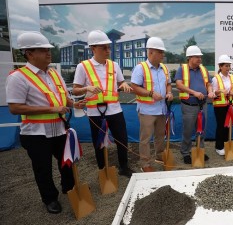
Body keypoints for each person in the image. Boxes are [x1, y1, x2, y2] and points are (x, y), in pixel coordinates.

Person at [6, 31, 86, 214]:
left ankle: (69, 188)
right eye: (43, 50)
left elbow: (64, 99)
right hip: (35, 133)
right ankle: (50, 198)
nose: (48, 53)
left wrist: (74, 104)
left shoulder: (54, 74)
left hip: (59, 129)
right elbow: (15, 108)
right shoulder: (18, 77)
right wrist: (51, 110)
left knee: (66, 162)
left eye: (48, 49)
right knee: (43, 168)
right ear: (29, 53)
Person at [72, 30, 134, 177]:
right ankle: (103, 170)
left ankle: (124, 167)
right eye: (103, 48)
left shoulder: (114, 65)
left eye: (108, 47)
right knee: (99, 143)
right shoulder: (83, 66)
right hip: (95, 113)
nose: (108, 50)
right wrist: (87, 88)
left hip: (115, 110)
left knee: (122, 140)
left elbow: (121, 81)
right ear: (93, 48)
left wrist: (124, 84)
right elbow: (75, 90)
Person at [130, 37, 173, 172]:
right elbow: (134, 87)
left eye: (162, 52)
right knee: (145, 139)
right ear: (150, 52)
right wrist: (150, 93)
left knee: (160, 136)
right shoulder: (140, 68)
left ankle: (159, 156)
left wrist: (169, 92)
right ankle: (145, 164)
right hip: (147, 110)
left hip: (161, 110)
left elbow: (169, 84)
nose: (162, 55)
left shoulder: (164, 68)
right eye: (160, 52)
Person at [175, 45, 215, 164]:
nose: (199, 59)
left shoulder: (203, 69)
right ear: (189, 58)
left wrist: (211, 91)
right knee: (188, 130)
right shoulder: (182, 69)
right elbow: (179, 85)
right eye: (197, 57)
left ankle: (199, 150)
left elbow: (208, 84)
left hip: (203, 105)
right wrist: (194, 93)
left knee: (201, 129)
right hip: (189, 106)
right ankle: (186, 152)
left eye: (200, 57)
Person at [212, 54, 233, 156]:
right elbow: (213, 93)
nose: (228, 68)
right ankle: (219, 147)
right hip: (219, 106)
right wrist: (219, 92)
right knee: (221, 126)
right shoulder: (216, 79)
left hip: (231, 105)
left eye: (229, 66)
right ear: (220, 66)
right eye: (226, 66)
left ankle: (226, 144)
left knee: (228, 126)